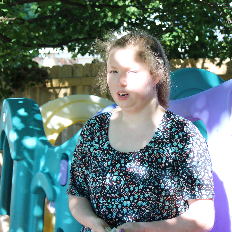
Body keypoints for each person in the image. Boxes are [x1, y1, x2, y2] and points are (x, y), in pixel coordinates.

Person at [66, 31, 215, 232]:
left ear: (156, 75)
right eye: (113, 71)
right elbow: (77, 196)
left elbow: (203, 217)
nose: (121, 81)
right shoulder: (94, 130)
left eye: (132, 72)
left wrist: (144, 229)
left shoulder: (182, 135)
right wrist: (93, 222)